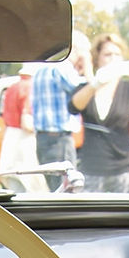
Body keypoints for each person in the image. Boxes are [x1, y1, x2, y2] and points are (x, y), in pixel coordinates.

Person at [70, 33, 129, 194]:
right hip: (92, 172)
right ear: (97, 58)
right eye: (107, 54)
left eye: (117, 55)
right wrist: (96, 84)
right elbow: (73, 106)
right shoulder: (86, 88)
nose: (112, 59)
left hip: (124, 172)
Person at [32, 30, 91, 191]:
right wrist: (87, 69)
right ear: (77, 50)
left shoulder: (41, 69)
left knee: (55, 188)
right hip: (60, 140)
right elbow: (84, 91)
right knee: (68, 190)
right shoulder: (62, 68)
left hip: (43, 140)